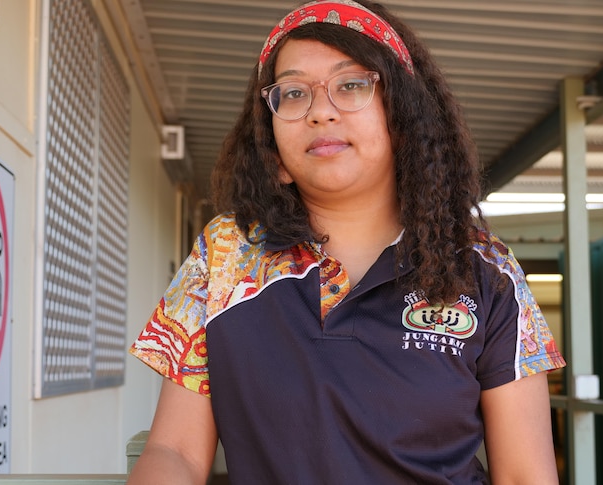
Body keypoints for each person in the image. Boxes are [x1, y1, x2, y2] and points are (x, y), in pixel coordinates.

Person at [127, 1, 566, 483]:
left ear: (403, 119)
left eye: (351, 85)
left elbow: (526, 473)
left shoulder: (486, 269)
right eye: (293, 93)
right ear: (271, 147)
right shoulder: (226, 255)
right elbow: (176, 452)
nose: (319, 112)